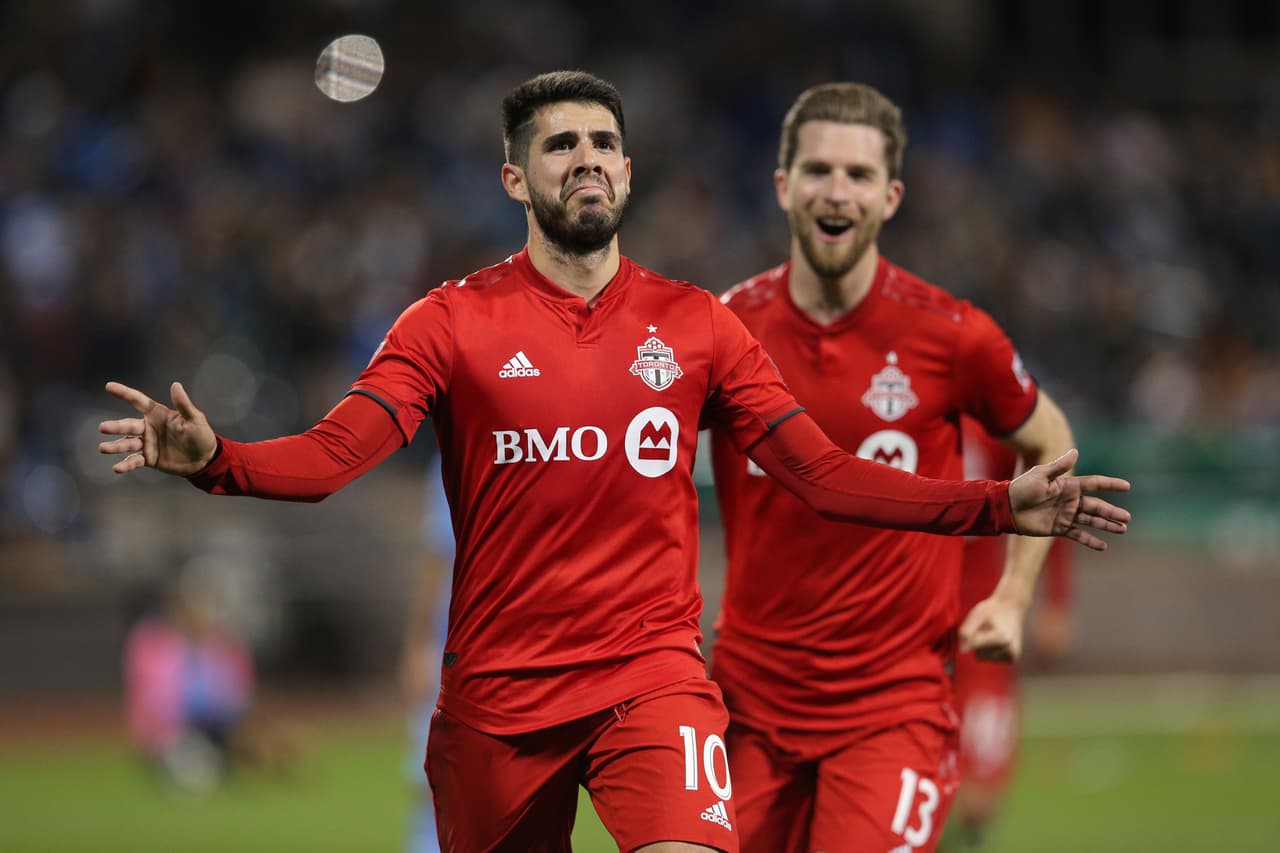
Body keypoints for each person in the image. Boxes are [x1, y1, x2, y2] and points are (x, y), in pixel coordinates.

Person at [99, 71, 1128, 853]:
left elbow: (823, 473)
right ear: (515, 176)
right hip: (496, 698)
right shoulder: (448, 322)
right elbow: (333, 456)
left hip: (652, 679)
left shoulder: (695, 327)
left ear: (627, 172)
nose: (584, 158)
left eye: (603, 142)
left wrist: (995, 503)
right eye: (558, 146)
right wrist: (215, 460)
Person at [708, 82, 1085, 853]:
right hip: (748, 703)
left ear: (892, 196)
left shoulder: (952, 336)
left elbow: (1050, 443)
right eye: (817, 170)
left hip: (892, 706)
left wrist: (1014, 597)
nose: (836, 189)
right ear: (784, 187)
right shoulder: (721, 331)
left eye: (858, 174)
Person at [943, 418, 1075, 852]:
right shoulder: (899, 413)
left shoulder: (989, 425)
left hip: (982, 617)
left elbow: (1049, 497)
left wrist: (1054, 601)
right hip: (910, 617)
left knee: (979, 798)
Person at [400, 454, 454, 853]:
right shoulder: (454, 455)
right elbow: (437, 553)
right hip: (451, 644)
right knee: (432, 779)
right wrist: (420, 643)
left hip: (501, 643)